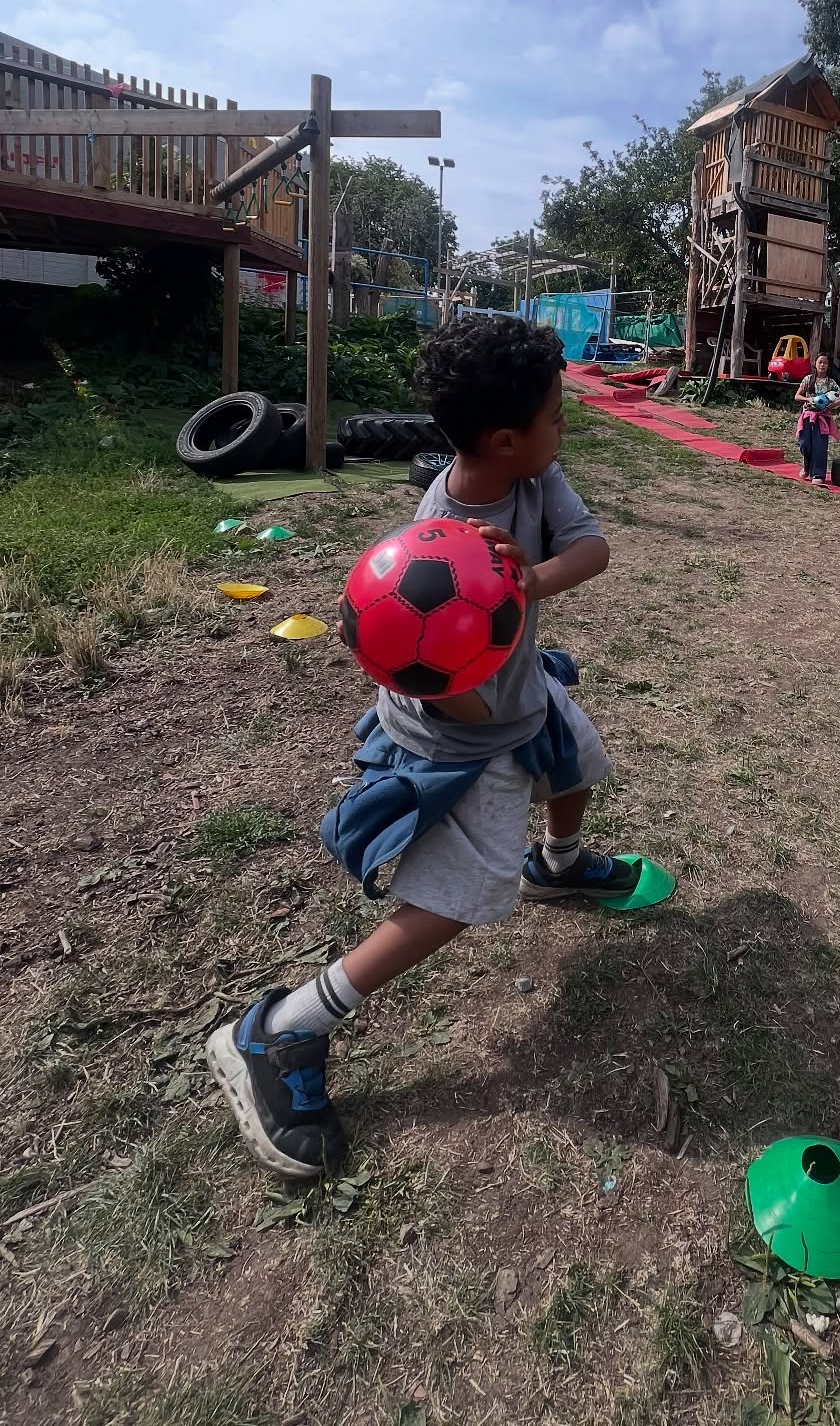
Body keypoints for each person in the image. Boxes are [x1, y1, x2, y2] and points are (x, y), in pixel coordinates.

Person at [206, 316, 641, 1180]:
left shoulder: (538, 475)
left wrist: (530, 578)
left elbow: (591, 549)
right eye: (559, 417)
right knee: (457, 899)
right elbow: (446, 685)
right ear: (506, 439)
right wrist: (485, 704)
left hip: (520, 699)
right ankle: (282, 1028)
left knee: (578, 760)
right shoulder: (435, 533)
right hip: (459, 733)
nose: (567, 430)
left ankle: (557, 862)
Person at [794, 352, 840, 487]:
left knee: (820, 446)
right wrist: (808, 399)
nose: (822, 365)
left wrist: (833, 405)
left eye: (825, 363)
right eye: (820, 362)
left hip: (823, 417)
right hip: (807, 415)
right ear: (815, 364)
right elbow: (797, 396)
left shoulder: (831, 383)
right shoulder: (808, 379)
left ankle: (818, 475)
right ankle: (807, 466)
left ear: (828, 366)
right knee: (805, 444)